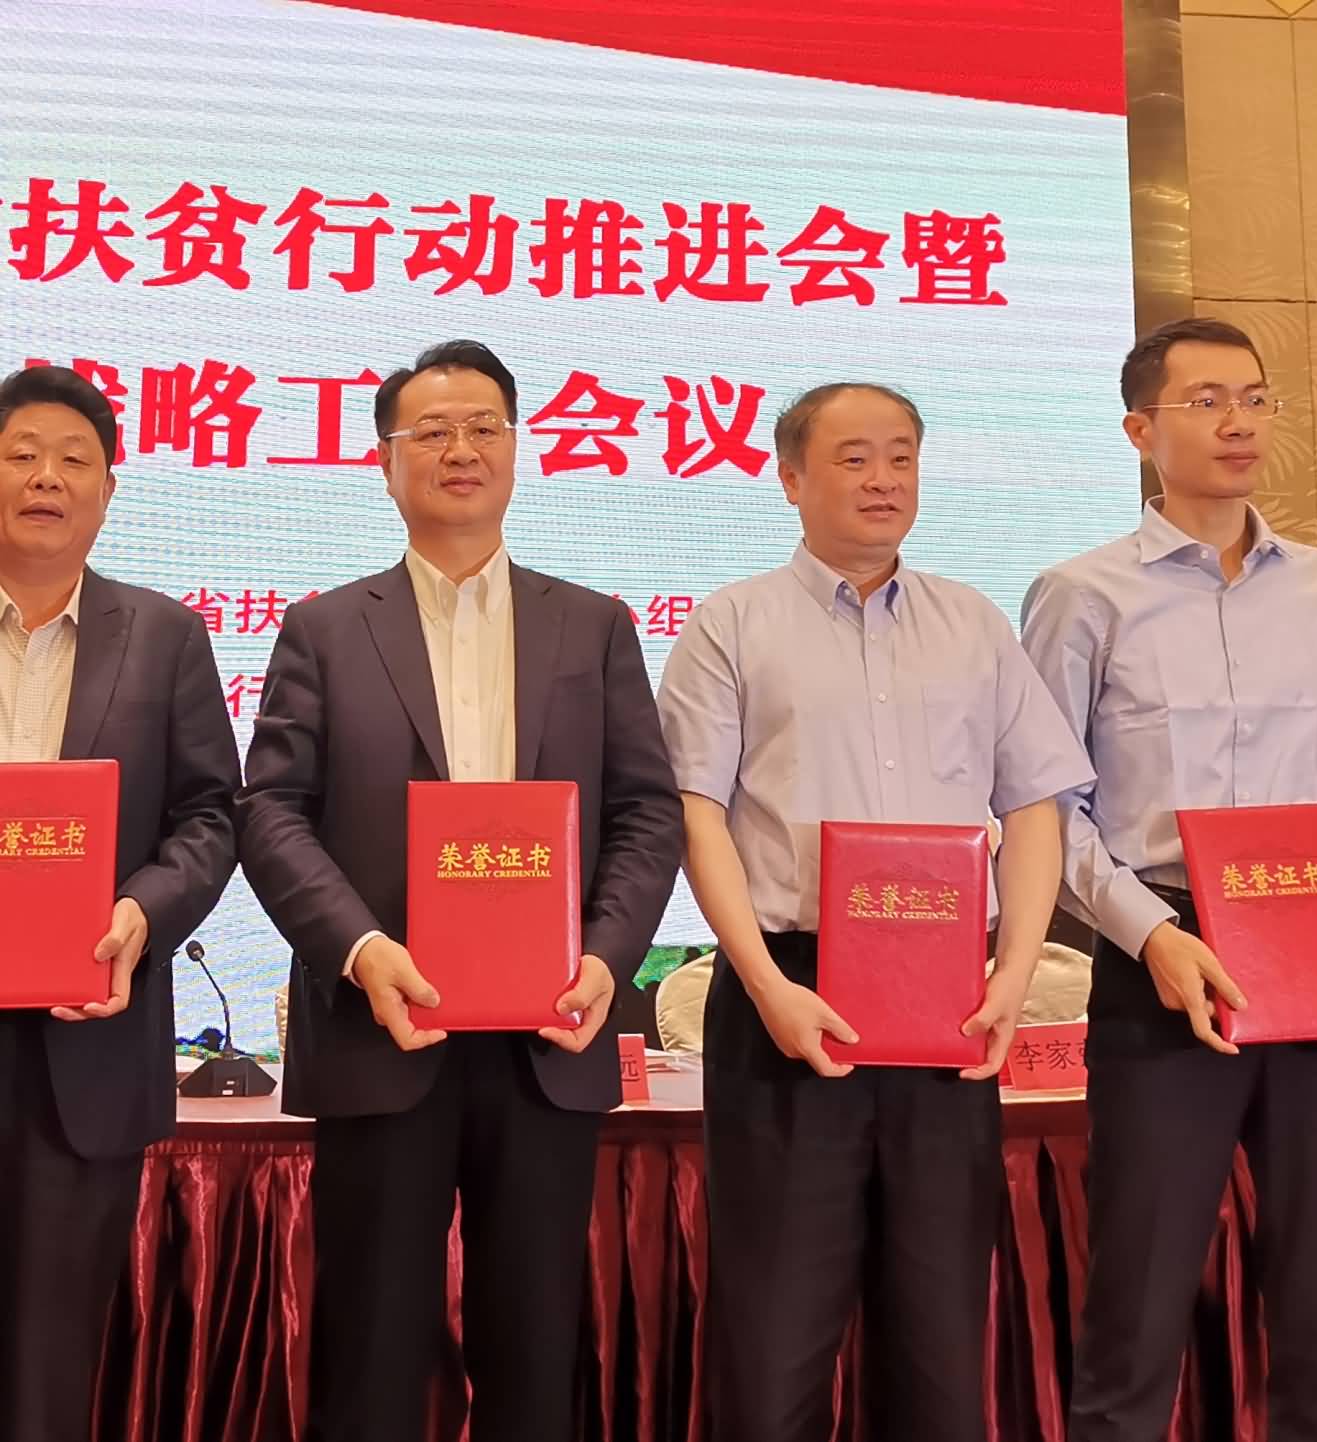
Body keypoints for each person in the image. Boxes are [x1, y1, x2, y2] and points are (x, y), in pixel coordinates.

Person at [237, 340, 684, 1442]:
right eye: (431, 431)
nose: (461, 449)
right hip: (381, 1028)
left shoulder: (592, 624)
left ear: (518, 449)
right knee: (371, 1355)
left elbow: (646, 811)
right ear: (385, 462)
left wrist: (605, 955)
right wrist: (360, 949)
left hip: (550, 1037)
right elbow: (271, 810)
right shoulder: (326, 628)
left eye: (484, 426)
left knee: (534, 1353)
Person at [659, 381, 1092, 1442]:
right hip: (787, 997)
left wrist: (1012, 971)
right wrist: (765, 983)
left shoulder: (972, 622)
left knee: (940, 1338)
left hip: (946, 1005)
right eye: (854, 458)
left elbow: (1034, 804)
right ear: (790, 477)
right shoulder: (732, 622)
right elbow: (694, 813)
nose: (883, 479)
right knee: (775, 1341)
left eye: (902, 455)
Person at [1021, 316, 1317, 1442]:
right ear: (1140, 430)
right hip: (1162, 946)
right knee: (1140, 1297)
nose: (1238, 422)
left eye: (1254, 397)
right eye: (1205, 401)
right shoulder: (1083, 593)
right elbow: (1048, 804)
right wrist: (1151, 935)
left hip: (1315, 945)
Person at [0, 364, 239, 1442]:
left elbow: (210, 814)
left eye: (73, 459)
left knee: (51, 1363)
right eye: (21, 454)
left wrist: (142, 914)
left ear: (108, 489)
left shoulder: (165, 635)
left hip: (85, 1044)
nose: (45, 477)